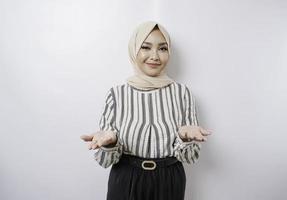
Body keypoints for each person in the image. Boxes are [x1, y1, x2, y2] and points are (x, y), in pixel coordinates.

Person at [80, 21, 212, 200]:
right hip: (126, 179)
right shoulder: (117, 95)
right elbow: (105, 161)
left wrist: (184, 137)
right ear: (134, 50)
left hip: (169, 180)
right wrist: (110, 143)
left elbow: (190, 158)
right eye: (146, 47)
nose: (154, 56)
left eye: (162, 48)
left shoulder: (182, 93)